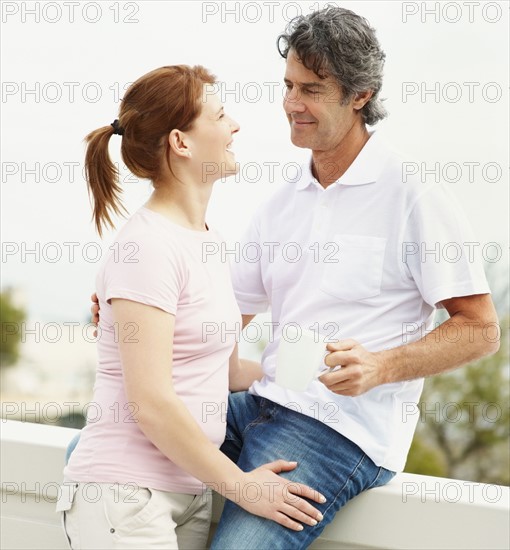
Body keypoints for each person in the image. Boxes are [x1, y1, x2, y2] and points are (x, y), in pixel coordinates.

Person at [90, 8, 499, 550]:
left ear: (359, 95)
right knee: (98, 458)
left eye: (310, 89)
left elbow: (480, 328)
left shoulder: (413, 193)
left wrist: (381, 366)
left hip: (338, 432)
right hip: (256, 403)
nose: (290, 103)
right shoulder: (280, 204)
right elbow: (215, 321)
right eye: (287, 85)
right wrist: (131, 307)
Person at [58, 64, 325, 550]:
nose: (235, 126)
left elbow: (223, 373)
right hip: (124, 496)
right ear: (180, 143)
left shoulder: (207, 242)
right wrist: (243, 486)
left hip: (188, 494)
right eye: (221, 116)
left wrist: (318, 369)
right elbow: (152, 403)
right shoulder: (148, 248)